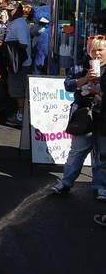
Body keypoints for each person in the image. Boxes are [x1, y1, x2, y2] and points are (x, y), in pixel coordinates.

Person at [53, 38, 106, 200]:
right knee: (77, 151)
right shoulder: (80, 66)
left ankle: (101, 187)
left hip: (103, 116)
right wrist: (84, 79)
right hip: (83, 114)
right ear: (88, 50)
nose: (97, 53)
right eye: (93, 50)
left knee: (102, 155)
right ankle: (66, 182)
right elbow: (68, 85)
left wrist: (99, 91)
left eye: (101, 50)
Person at [1, 2, 32, 127]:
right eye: (8, 10)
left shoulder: (19, 23)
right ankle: (20, 114)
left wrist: (8, 47)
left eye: (11, 10)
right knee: (16, 89)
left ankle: (21, 116)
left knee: (18, 90)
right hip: (17, 63)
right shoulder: (15, 22)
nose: (9, 13)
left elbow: (23, 44)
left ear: (18, 10)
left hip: (20, 64)